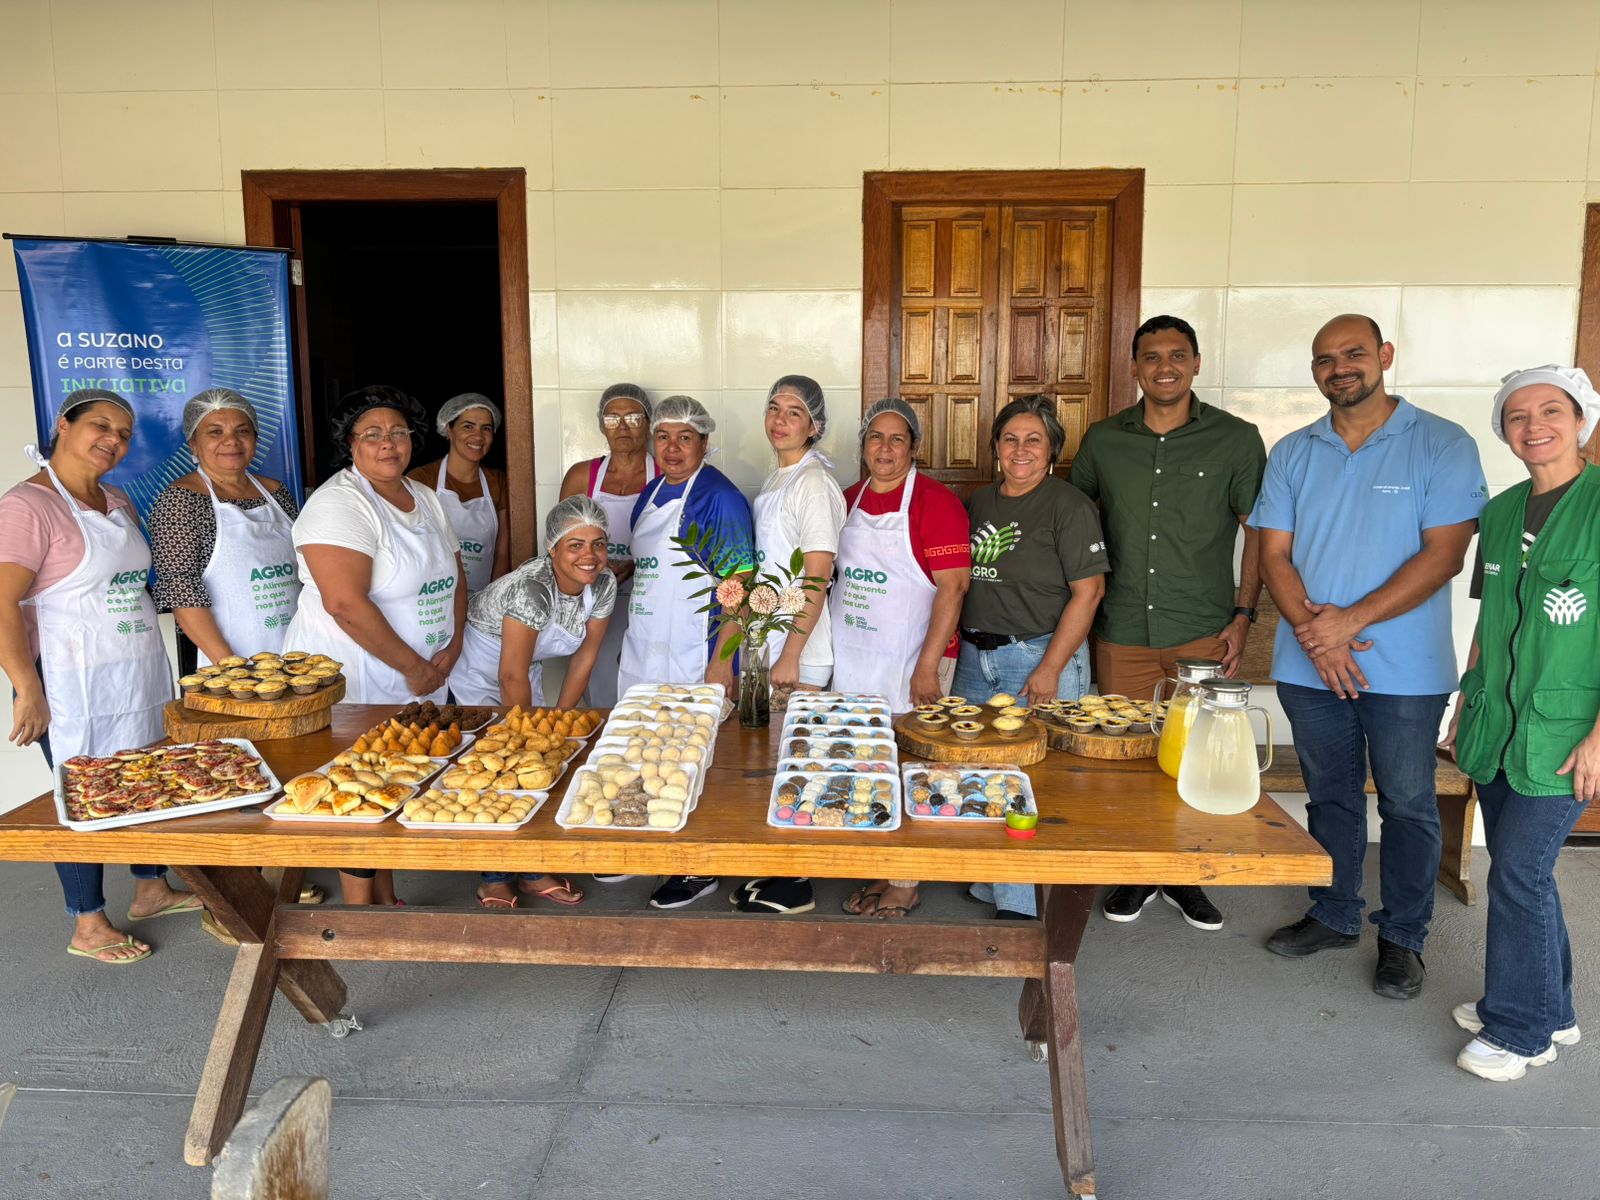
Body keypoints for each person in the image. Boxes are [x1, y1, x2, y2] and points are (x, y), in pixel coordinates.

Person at [1252, 314, 1486, 1000]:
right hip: (1307, 664)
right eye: (1325, 359)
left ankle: (1404, 937)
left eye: (1353, 354)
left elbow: (1446, 553)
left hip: (1406, 670)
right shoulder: (1294, 451)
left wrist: (1346, 623)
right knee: (1330, 796)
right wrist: (1314, 634)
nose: (1339, 368)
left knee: (1410, 803)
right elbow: (1273, 554)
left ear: (1384, 355)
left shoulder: (1442, 442)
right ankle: (1333, 912)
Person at [1073, 315, 1267, 933]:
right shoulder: (1103, 441)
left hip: (1202, 628)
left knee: (1197, 754)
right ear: (1134, 367)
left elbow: (1257, 534)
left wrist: (1243, 616)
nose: (1164, 367)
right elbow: (1075, 522)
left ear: (1197, 363)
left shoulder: (1237, 440)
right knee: (1131, 752)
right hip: (1122, 626)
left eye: (1177, 355)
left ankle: (1190, 875)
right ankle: (1139, 870)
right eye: (1151, 356)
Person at [1441, 364, 1600, 1080]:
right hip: (1499, 722)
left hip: (1565, 733)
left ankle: (1519, 1030)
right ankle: (1551, 1008)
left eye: (1551, 411)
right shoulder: (1502, 511)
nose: (1534, 426)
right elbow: (1489, 618)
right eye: (1517, 416)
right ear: (1504, 432)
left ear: (1581, 419)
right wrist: (1465, 700)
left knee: (1519, 874)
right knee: (1524, 872)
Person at [0, 389, 196, 964]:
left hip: (135, 668)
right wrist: (27, 689)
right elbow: (3, 603)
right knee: (82, 790)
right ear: (64, 425)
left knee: (146, 773)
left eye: (125, 432)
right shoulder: (27, 506)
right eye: (101, 425)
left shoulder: (116, 500)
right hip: (69, 679)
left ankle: (151, 888)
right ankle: (87, 921)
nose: (114, 438)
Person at [287, 384, 467, 908]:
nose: (388, 444)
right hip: (362, 673)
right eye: (372, 435)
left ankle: (386, 896)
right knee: (359, 784)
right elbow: (345, 604)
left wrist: (451, 648)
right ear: (350, 445)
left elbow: (454, 574)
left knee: (399, 777)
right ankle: (361, 910)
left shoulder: (425, 496)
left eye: (397, 433)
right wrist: (416, 669)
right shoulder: (339, 504)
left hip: (425, 672)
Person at [959, 394, 1108, 919]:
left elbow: (1088, 593)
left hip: (1038, 655)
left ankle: (1024, 905)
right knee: (978, 769)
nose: (1021, 450)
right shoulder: (978, 503)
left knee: (1034, 779)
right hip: (976, 660)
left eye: (1034, 440)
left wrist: (1051, 668)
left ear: (1052, 451)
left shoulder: (1067, 506)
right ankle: (998, 879)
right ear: (996, 447)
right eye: (1010, 439)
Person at [617, 395, 754, 911]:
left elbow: (740, 580)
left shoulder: (718, 497)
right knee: (640, 750)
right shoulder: (652, 493)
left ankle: (697, 868)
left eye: (685, 438)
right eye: (663, 437)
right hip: (645, 649)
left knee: (692, 758)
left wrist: (723, 661)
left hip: (695, 649)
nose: (672, 448)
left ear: (704, 441)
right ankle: (646, 848)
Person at [836, 398, 971, 921]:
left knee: (913, 768)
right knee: (867, 764)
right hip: (854, 660)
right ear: (863, 445)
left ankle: (906, 881)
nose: (885, 449)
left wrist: (926, 666)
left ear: (915, 447)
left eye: (897, 439)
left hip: (915, 661)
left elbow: (953, 588)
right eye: (876, 438)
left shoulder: (936, 503)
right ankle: (879, 863)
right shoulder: (846, 499)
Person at [453, 495, 618, 910]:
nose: (589, 555)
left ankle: (530, 869)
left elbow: (584, 658)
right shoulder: (532, 588)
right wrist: (529, 736)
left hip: (523, 667)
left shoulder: (604, 585)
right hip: (481, 666)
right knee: (498, 765)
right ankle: (493, 877)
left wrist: (559, 726)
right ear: (552, 547)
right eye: (575, 545)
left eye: (598, 543)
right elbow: (509, 675)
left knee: (541, 765)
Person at [730, 375, 846, 918]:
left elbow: (818, 576)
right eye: (773, 407)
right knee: (776, 759)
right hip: (771, 642)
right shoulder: (777, 479)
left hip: (799, 649)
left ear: (815, 425)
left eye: (794, 412)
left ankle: (799, 880)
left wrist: (792, 654)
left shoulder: (814, 484)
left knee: (799, 758)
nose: (779, 419)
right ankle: (780, 865)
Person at [150, 388, 302, 669]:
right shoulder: (180, 499)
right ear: (193, 444)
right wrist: (232, 667)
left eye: (243, 431)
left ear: (255, 438)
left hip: (298, 650)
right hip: (229, 662)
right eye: (215, 432)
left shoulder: (276, 491)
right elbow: (181, 591)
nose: (231, 441)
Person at [559, 383, 655, 707]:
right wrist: (598, 570)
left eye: (633, 417)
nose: (623, 426)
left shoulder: (667, 476)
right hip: (594, 601)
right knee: (600, 690)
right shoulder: (581, 476)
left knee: (645, 698)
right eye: (613, 419)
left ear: (649, 423)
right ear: (601, 426)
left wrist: (636, 566)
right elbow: (561, 549)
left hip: (651, 602)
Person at [408, 392, 508, 595]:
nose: (478, 436)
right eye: (468, 426)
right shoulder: (423, 479)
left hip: (483, 595)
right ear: (449, 429)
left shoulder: (498, 481)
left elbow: (503, 551)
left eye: (486, 428)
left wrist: (491, 599)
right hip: (434, 595)